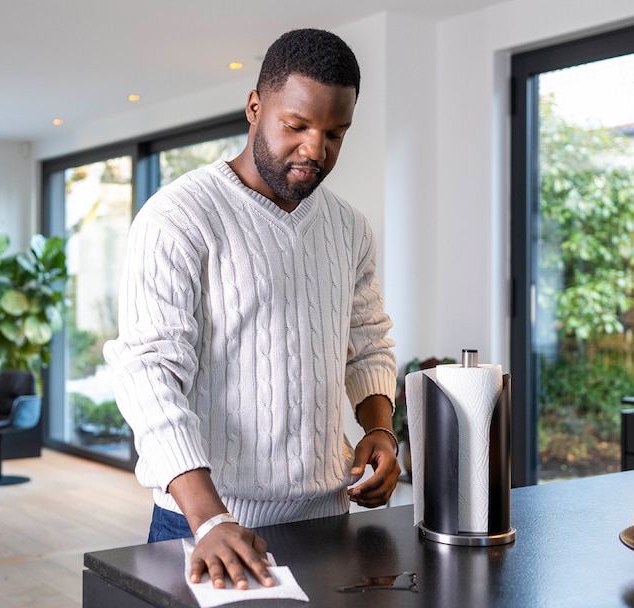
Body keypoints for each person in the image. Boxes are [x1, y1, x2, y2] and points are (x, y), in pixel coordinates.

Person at [103, 28, 399, 591]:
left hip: (326, 519)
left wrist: (380, 430)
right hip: (202, 526)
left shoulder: (350, 228)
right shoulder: (178, 217)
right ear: (255, 107)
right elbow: (149, 378)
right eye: (297, 126)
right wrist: (210, 518)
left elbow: (367, 340)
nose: (316, 149)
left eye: (336, 133)